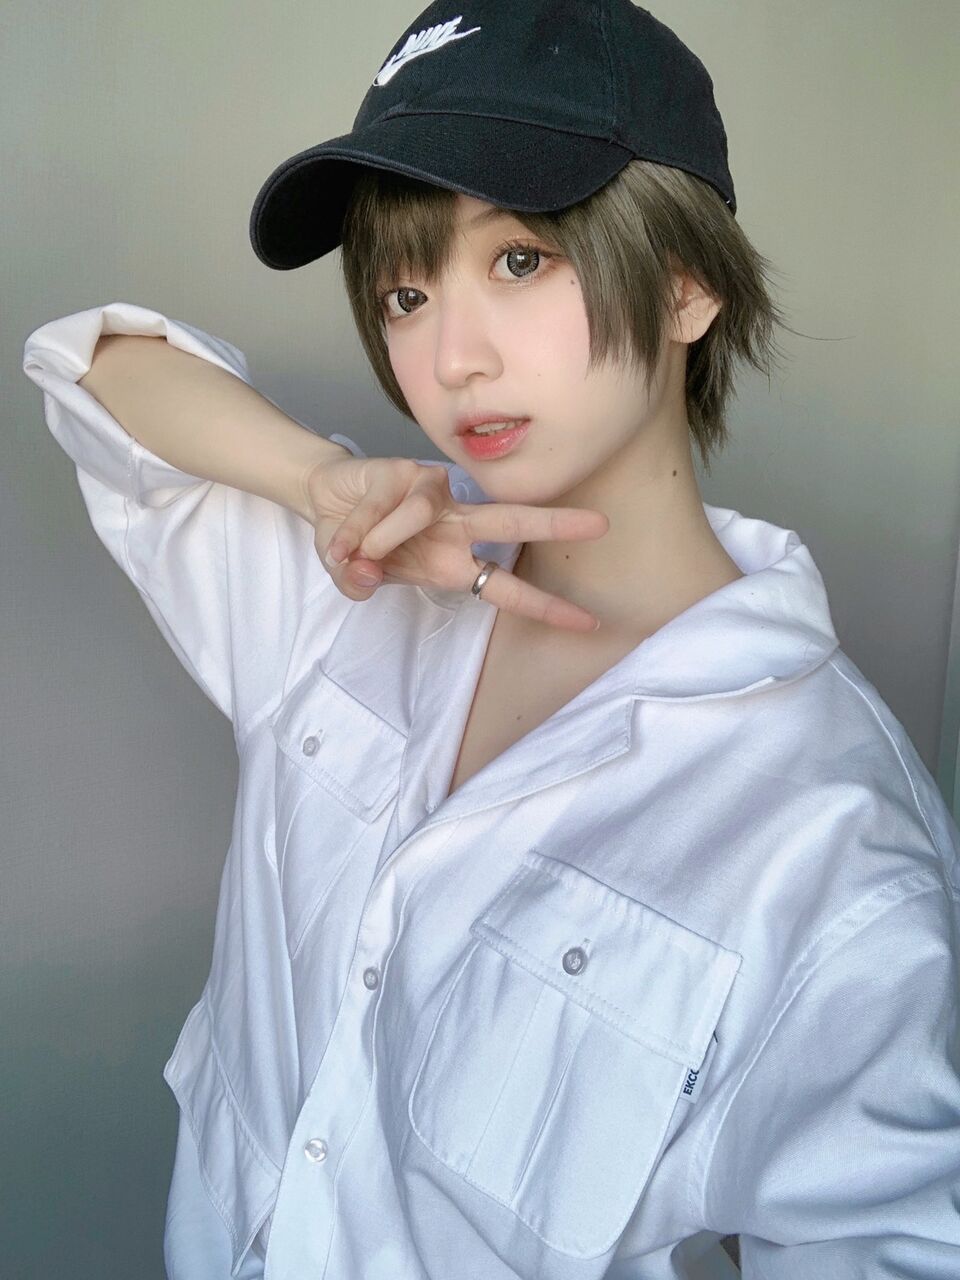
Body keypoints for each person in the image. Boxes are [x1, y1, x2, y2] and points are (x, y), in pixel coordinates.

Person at [21, 2, 960, 1278]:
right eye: (406, 292)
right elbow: (93, 367)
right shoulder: (348, 585)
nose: (451, 358)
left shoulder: (832, 835)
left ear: (686, 284)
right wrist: (314, 480)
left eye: (520, 259)